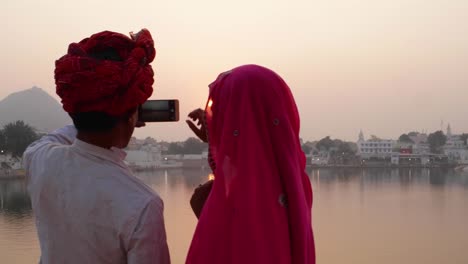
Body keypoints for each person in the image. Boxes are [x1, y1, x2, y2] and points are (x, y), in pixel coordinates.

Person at [23, 29, 170, 264]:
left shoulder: (39, 160)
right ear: (132, 114)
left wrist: (114, 109)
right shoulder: (142, 204)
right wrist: (119, 111)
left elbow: (57, 136)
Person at [185, 65, 315, 264]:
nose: (217, 119)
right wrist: (217, 140)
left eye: (220, 112)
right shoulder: (293, 187)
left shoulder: (241, 198)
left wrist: (218, 142)